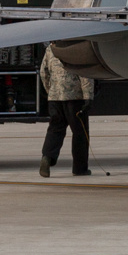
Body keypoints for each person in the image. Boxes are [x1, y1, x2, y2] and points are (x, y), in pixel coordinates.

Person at [38, 44, 95, 177]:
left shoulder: (50, 48)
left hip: (55, 97)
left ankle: (47, 157)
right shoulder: (77, 47)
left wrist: (51, 91)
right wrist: (88, 96)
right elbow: (85, 73)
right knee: (80, 132)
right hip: (75, 97)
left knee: (55, 129)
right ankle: (80, 168)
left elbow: (43, 72)